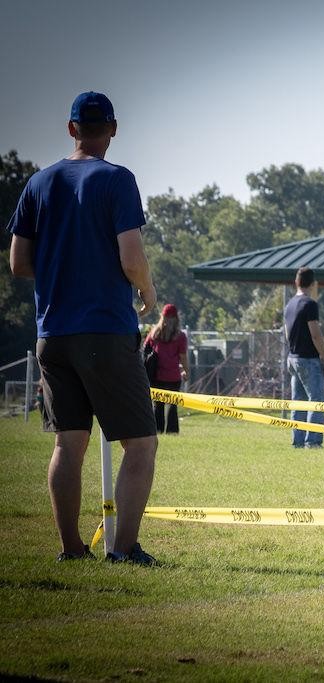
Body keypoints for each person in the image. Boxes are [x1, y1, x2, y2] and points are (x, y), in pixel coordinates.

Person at [7, 91, 159, 564]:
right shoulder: (118, 180)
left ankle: (71, 548)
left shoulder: (38, 183)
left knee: (67, 443)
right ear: (112, 128)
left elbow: (17, 262)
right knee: (141, 443)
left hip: (52, 333)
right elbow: (131, 257)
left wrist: (62, 272)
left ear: (71, 129)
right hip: (105, 330)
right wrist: (148, 292)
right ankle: (124, 548)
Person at [285, 267, 324, 449]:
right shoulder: (310, 304)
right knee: (316, 401)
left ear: (296, 282)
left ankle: (298, 440)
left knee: (298, 401)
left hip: (293, 357)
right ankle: (313, 441)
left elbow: (287, 334)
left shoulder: (289, 305)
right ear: (313, 284)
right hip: (308, 358)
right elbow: (315, 334)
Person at [145, 304, 189, 434]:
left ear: (162, 317)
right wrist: (186, 370)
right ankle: (172, 431)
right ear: (177, 318)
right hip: (173, 376)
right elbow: (183, 356)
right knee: (173, 405)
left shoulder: (154, 333)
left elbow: (145, 350)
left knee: (158, 405)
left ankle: (157, 429)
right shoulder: (180, 336)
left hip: (156, 375)